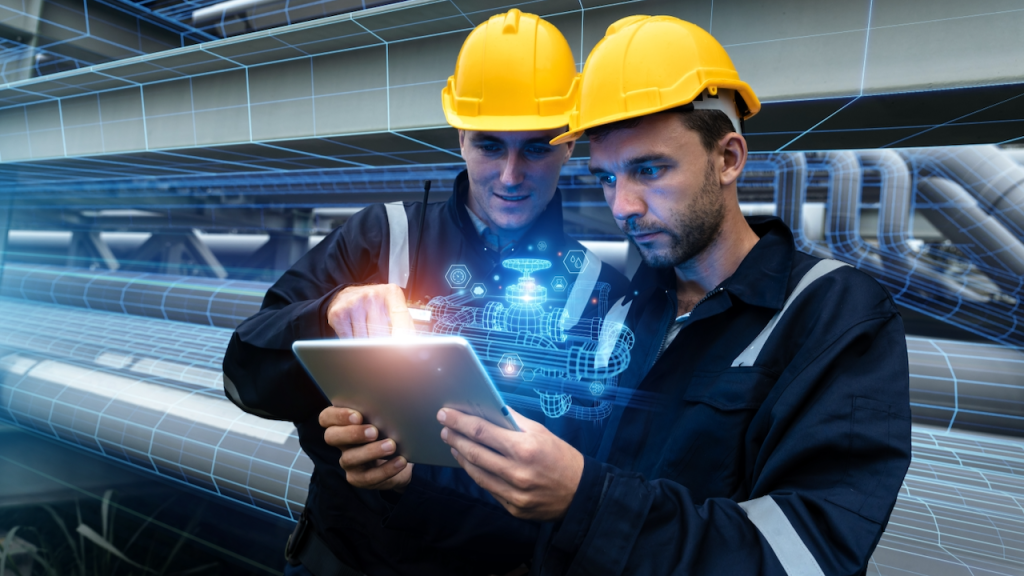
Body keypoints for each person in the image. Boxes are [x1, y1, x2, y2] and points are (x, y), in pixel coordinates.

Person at [435, 15, 912, 575]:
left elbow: (806, 554)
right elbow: (545, 478)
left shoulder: (833, 316)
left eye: (649, 169)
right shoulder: (620, 309)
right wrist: (414, 466)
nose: (622, 207)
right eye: (607, 177)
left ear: (728, 157)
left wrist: (585, 500)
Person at [222, 9, 628, 576]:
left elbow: (591, 480)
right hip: (345, 558)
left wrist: (416, 483)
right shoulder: (381, 238)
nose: (511, 175)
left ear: (569, 145)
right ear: (460, 137)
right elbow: (244, 372)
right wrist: (327, 316)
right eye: (490, 145)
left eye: (536, 148)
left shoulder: (600, 295)